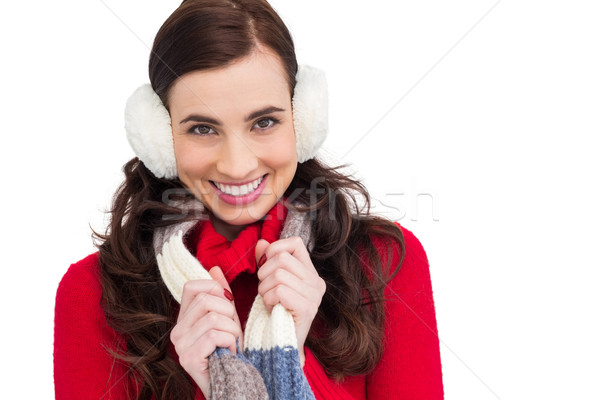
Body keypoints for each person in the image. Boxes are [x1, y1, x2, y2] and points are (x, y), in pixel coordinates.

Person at [53, 0, 444, 398]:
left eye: (264, 122)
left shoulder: (385, 264)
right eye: (203, 129)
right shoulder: (92, 294)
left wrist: (295, 365)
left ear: (302, 121)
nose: (237, 166)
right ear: (159, 137)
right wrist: (201, 383)